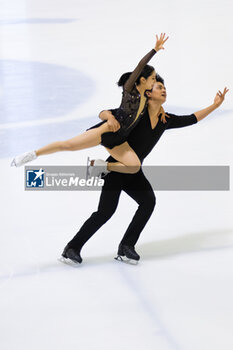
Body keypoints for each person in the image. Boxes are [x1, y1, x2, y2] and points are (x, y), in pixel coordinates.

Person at [61, 77, 229, 264]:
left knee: (148, 202)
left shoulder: (164, 120)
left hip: (133, 171)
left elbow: (191, 119)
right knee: (105, 212)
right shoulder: (135, 117)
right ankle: (72, 248)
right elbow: (109, 112)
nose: (164, 90)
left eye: (165, 87)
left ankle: (126, 246)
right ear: (148, 93)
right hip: (116, 168)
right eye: (159, 87)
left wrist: (215, 105)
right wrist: (108, 117)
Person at [11, 33, 168, 178]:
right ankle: (33, 154)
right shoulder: (129, 90)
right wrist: (154, 50)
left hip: (120, 140)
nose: (155, 82)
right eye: (153, 78)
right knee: (68, 145)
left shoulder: (147, 97)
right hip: (105, 131)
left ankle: (101, 165)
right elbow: (140, 66)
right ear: (142, 80)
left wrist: (160, 110)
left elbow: (154, 106)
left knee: (134, 166)